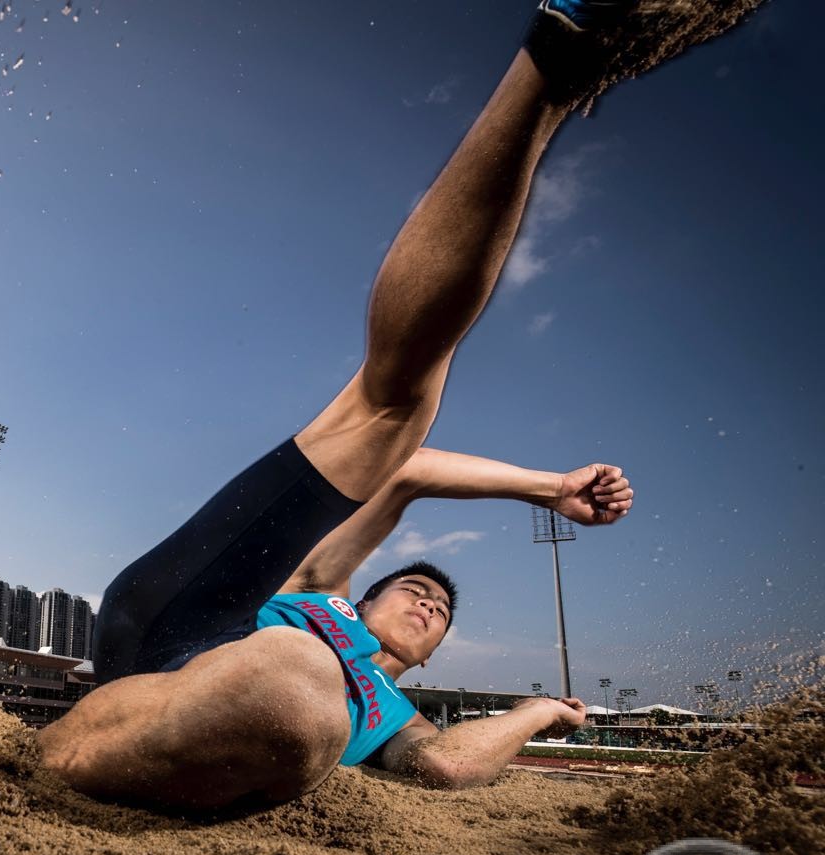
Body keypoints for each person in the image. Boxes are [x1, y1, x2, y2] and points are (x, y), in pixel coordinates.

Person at [37, 1, 655, 812]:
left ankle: (50, 758)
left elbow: (449, 767)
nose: (430, 600)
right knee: (391, 412)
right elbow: (405, 473)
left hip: (260, 711)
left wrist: (541, 711)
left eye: (440, 612)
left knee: (297, 696)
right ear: (359, 597)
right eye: (415, 590)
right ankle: (555, 59)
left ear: (432, 659)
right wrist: (548, 486)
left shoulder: (392, 714)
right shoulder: (316, 585)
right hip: (188, 619)